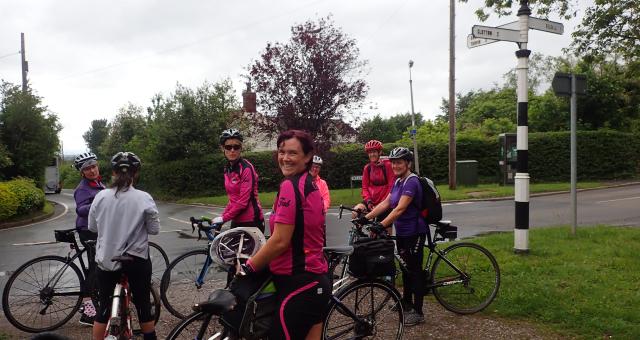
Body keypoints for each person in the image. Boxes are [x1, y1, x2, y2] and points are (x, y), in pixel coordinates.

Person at [239, 130, 330, 340]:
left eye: (292, 153)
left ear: (307, 157)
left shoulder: (291, 186)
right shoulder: (309, 184)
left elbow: (280, 240)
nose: (285, 158)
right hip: (314, 281)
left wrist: (249, 267)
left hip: (299, 283)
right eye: (281, 152)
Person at [88, 152, 160, 340]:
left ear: (113, 172)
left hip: (107, 259)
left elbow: (92, 227)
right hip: (135, 259)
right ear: (136, 173)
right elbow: (154, 230)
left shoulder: (101, 196)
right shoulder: (144, 198)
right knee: (143, 305)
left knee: (103, 307)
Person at [364, 147, 426, 326]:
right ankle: (406, 303)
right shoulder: (399, 182)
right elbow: (386, 203)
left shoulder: (412, 181)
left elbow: (399, 208)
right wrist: (365, 218)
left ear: (408, 163)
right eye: (393, 162)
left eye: (399, 162)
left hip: (416, 232)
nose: (395, 166)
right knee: (405, 268)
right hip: (403, 233)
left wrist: (380, 225)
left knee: (415, 271)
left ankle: (419, 312)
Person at [72, 152, 106, 326]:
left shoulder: (98, 183)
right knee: (95, 267)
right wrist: (98, 204)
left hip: (98, 229)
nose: (92, 170)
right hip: (88, 230)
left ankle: (96, 300)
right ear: (82, 172)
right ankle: (87, 311)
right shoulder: (83, 188)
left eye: (93, 166)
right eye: (87, 169)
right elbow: (80, 209)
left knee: (98, 265)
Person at [213, 128, 265, 232]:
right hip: (236, 219)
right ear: (223, 148)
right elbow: (233, 200)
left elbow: (242, 202)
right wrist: (222, 217)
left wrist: (224, 218)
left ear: (241, 148)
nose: (232, 150)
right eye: (228, 147)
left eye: (236, 147)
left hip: (251, 221)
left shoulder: (246, 169)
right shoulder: (227, 169)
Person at [353, 140, 394, 220]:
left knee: (383, 229)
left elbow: (391, 187)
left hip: (385, 202)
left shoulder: (388, 166)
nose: (372, 154)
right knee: (355, 212)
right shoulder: (367, 168)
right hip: (371, 201)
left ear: (380, 152)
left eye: (374, 152)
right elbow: (365, 187)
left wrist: (381, 203)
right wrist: (368, 201)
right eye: (369, 152)